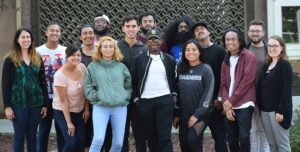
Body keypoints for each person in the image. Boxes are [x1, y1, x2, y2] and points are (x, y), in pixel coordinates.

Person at [2, 28, 48, 152]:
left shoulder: (37, 57)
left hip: (36, 104)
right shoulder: (10, 59)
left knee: (32, 135)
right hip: (18, 104)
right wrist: (7, 106)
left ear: (31, 39)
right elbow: (5, 84)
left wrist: (44, 104)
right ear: (17, 40)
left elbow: (43, 82)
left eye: (28, 37)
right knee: (19, 135)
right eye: (23, 37)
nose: (26, 39)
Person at [131, 28, 177, 152]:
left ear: (161, 41)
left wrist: (173, 97)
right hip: (145, 102)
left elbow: (174, 81)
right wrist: (136, 100)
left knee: (164, 137)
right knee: (151, 138)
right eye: (150, 39)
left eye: (156, 39)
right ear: (146, 42)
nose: (153, 42)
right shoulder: (139, 59)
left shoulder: (169, 59)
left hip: (165, 101)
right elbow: (133, 82)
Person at [84, 36, 132, 152]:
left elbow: (128, 85)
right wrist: (97, 96)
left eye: (111, 47)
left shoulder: (121, 67)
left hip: (119, 108)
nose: (108, 49)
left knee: (118, 143)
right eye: (105, 46)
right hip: (101, 107)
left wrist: (125, 96)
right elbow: (88, 87)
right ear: (100, 49)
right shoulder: (92, 67)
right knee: (98, 139)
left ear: (115, 49)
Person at [192, 21, 228, 152]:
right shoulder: (194, 52)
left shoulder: (219, 51)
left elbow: (225, 77)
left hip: (215, 104)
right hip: (198, 104)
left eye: (202, 28)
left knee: (220, 137)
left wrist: (220, 98)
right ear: (194, 35)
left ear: (209, 32)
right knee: (195, 137)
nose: (200, 31)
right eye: (196, 30)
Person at [174, 39, 215, 152]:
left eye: (194, 49)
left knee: (192, 141)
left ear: (199, 52)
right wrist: (176, 113)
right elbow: (176, 91)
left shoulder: (206, 69)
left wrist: (196, 115)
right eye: (187, 50)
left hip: (202, 115)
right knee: (184, 145)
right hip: (183, 115)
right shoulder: (180, 68)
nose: (190, 52)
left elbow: (208, 94)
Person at [220, 28, 257, 152]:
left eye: (233, 39)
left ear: (240, 41)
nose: (230, 42)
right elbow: (223, 84)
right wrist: (226, 104)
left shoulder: (249, 56)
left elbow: (247, 81)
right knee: (231, 138)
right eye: (227, 39)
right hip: (229, 104)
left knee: (244, 137)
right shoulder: (226, 60)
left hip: (244, 103)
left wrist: (230, 102)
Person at [118, 15, 148, 152]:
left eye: (134, 26)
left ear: (139, 28)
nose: (131, 29)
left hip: (138, 97)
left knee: (140, 133)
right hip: (120, 96)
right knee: (121, 133)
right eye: (128, 26)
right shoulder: (116, 47)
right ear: (123, 28)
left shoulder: (145, 48)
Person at [258, 35, 293, 152]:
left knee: (282, 145)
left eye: (275, 45)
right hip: (265, 111)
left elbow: (286, 91)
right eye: (270, 45)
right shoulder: (266, 65)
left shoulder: (285, 65)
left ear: (282, 48)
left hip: (278, 112)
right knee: (272, 145)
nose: (272, 48)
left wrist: (281, 111)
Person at [52, 43, 90, 152]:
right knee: (71, 142)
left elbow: (87, 90)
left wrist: (86, 109)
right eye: (73, 55)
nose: (76, 58)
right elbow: (63, 101)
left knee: (82, 142)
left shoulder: (82, 68)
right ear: (67, 57)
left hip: (79, 111)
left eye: (78, 55)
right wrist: (69, 123)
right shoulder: (59, 75)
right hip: (63, 111)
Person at [36, 21, 66, 152]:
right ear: (46, 33)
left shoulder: (65, 51)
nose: (54, 33)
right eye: (51, 30)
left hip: (61, 98)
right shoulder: (38, 51)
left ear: (60, 33)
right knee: (43, 131)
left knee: (62, 131)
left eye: (57, 30)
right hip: (45, 98)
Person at [246, 20, 270, 152]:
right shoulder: (243, 49)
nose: (255, 33)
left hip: (265, 97)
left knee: (264, 131)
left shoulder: (270, 51)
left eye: (258, 31)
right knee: (252, 131)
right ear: (249, 33)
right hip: (247, 97)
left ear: (263, 33)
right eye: (252, 31)